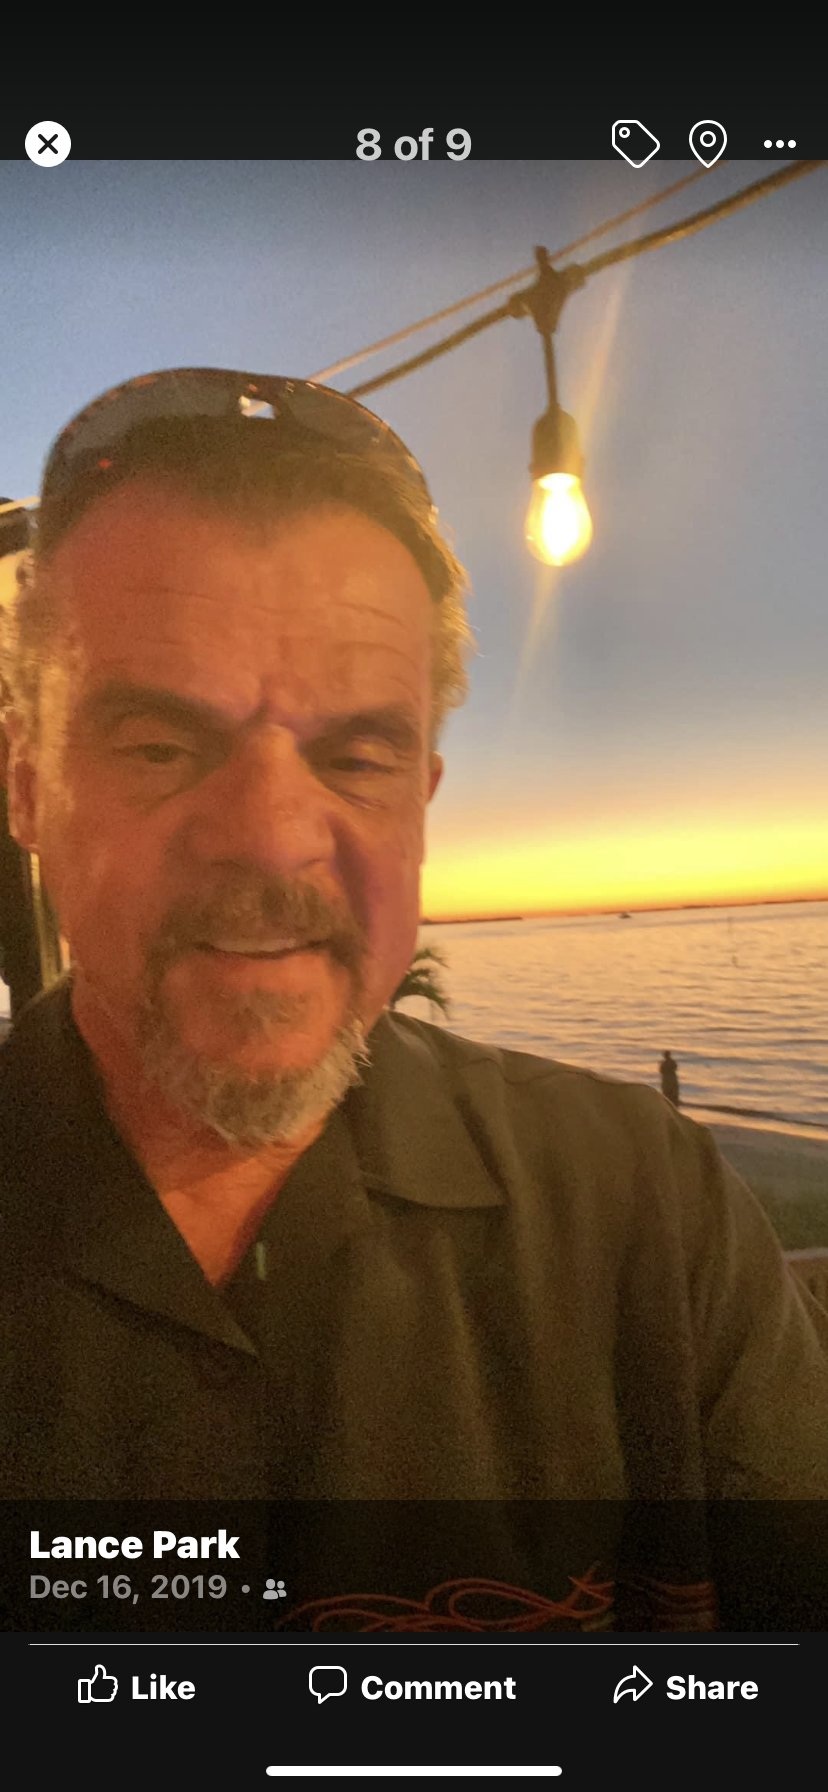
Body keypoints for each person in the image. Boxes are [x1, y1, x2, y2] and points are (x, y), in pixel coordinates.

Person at [1, 369, 826, 1634]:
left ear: (422, 804)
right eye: (161, 745)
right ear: (28, 787)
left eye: (357, 757)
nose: (272, 838)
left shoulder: (646, 1206)